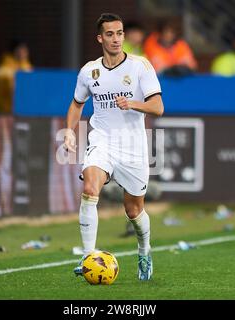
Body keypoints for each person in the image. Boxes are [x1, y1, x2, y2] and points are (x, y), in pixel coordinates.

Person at [64, 13, 164, 281]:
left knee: (133, 210)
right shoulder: (89, 71)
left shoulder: (140, 66)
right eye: (110, 34)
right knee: (89, 188)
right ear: (100, 38)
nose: (117, 39)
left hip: (133, 148)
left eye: (120, 33)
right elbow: (77, 103)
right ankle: (87, 258)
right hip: (102, 141)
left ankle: (144, 250)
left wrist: (133, 103)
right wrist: (70, 131)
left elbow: (158, 107)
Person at [0, 40, 33, 113]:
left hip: (22, 109)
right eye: (21, 50)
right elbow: (5, 89)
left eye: (25, 50)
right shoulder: (5, 66)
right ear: (15, 51)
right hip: (5, 108)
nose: (24, 53)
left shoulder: (27, 65)